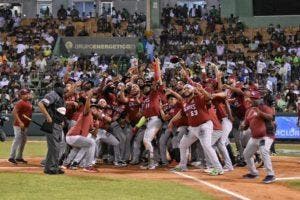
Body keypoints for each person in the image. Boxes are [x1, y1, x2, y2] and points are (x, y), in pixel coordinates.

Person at [241, 91, 276, 184]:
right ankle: (253, 173)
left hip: (266, 136)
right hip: (254, 137)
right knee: (246, 154)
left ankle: (271, 175)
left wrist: (260, 113)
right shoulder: (249, 110)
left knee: (264, 151)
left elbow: (271, 117)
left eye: (254, 99)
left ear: (259, 99)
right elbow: (246, 124)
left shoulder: (264, 107)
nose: (252, 100)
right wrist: (243, 126)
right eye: (251, 99)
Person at [66, 90, 98, 172]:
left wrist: (97, 127)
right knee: (91, 143)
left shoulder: (92, 119)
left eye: (95, 107)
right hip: (73, 135)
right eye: (92, 107)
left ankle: (69, 163)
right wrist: (89, 98)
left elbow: (93, 133)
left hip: (75, 137)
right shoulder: (86, 113)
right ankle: (88, 166)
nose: (94, 109)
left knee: (85, 145)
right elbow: (87, 107)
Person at [38, 82, 66, 175]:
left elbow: (59, 111)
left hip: (57, 124)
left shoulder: (60, 96)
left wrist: (61, 121)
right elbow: (40, 104)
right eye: (62, 87)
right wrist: (47, 116)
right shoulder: (52, 94)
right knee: (54, 147)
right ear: (57, 87)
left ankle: (50, 167)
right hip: (52, 124)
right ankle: (52, 168)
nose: (64, 89)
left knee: (55, 147)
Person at [8, 89, 33, 164]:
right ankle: (11, 157)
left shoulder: (28, 102)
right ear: (21, 95)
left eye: (28, 94)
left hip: (25, 125)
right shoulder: (20, 102)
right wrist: (20, 122)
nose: (27, 95)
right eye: (25, 94)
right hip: (18, 125)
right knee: (17, 139)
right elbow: (14, 112)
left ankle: (19, 157)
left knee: (23, 141)